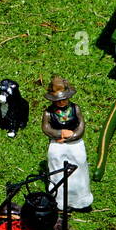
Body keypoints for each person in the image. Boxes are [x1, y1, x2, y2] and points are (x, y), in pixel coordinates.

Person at [42, 75, 93, 211]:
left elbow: (81, 124)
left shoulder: (75, 109)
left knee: (79, 165)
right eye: (58, 100)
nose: (61, 102)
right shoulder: (48, 113)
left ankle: (80, 200)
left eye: (64, 99)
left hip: (74, 143)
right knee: (57, 168)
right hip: (57, 144)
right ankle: (59, 201)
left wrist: (73, 136)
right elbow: (46, 128)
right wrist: (60, 134)